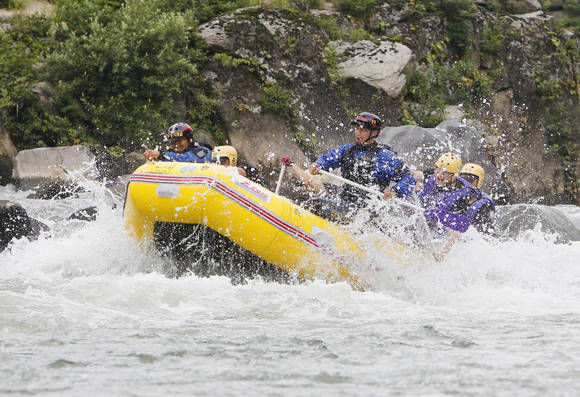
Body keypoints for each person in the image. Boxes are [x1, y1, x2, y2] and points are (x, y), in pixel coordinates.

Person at [305, 112, 416, 219]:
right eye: (357, 129)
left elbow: (408, 178)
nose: (358, 133)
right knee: (309, 196)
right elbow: (328, 159)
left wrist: (395, 191)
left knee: (317, 203)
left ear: (373, 133)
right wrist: (318, 164)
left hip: (365, 211)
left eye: (364, 130)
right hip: (344, 200)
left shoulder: (385, 156)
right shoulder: (347, 150)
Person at [143, 122, 212, 163]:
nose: (176, 144)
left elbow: (188, 159)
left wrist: (161, 155)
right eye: (173, 141)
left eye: (179, 140)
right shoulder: (171, 153)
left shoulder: (202, 151)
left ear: (189, 139)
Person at [458, 163, 495, 234]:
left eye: (470, 181)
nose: (466, 184)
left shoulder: (482, 206)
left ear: (478, 182)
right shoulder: (456, 199)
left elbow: (486, 234)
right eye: (463, 180)